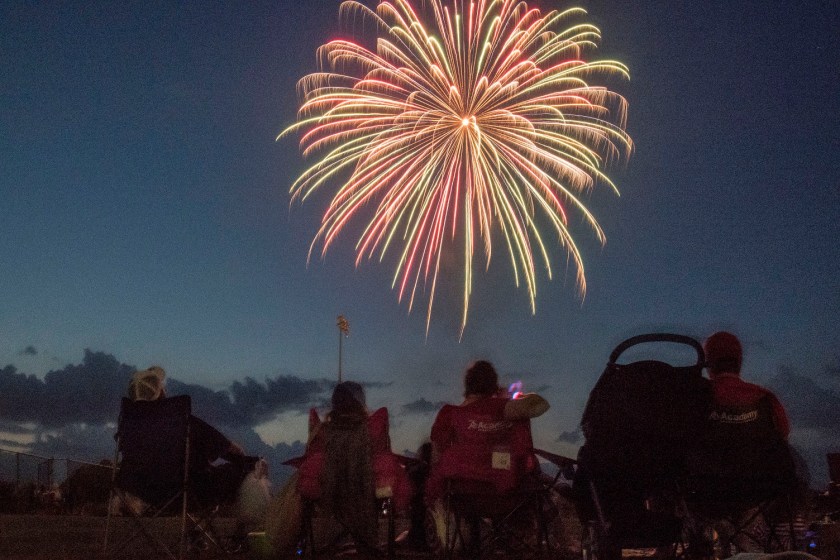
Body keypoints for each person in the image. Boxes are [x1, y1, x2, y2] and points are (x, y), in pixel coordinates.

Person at [126, 367, 262, 543]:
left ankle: (195, 534)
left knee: (191, 473)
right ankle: (241, 537)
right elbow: (234, 450)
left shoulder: (131, 428)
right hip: (191, 492)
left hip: (147, 493)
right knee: (254, 466)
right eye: (163, 387)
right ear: (161, 393)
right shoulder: (183, 422)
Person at [297, 381, 411, 553]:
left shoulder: (321, 431)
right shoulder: (374, 428)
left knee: (302, 482)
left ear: (335, 404)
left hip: (326, 488)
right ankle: (363, 538)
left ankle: (315, 541)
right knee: (390, 473)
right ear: (361, 404)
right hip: (370, 488)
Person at [426, 360, 550, 501]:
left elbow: (436, 456)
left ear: (468, 384)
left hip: (462, 494)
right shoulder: (506, 408)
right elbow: (542, 405)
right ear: (493, 385)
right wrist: (515, 397)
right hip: (505, 493)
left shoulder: (450, 414)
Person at [703, 331, 789, 439]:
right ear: (739, 362)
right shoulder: (766, 399)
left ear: (709, 363)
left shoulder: (695, 397)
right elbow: (783, 435)